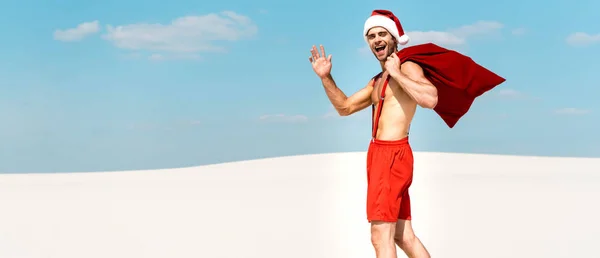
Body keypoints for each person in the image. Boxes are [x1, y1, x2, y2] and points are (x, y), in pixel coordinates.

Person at [308, 10, 435, 258]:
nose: (376, 39)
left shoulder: (407, 68)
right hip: (380, 155)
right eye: (371, 36)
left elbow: (430, 98)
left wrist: (397, 72)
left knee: (380, 238)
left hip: (391, 156)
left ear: (394, 38)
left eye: (382, 34)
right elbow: (345, 107)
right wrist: (326, 77)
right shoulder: (377, 81)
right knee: (402, 235)